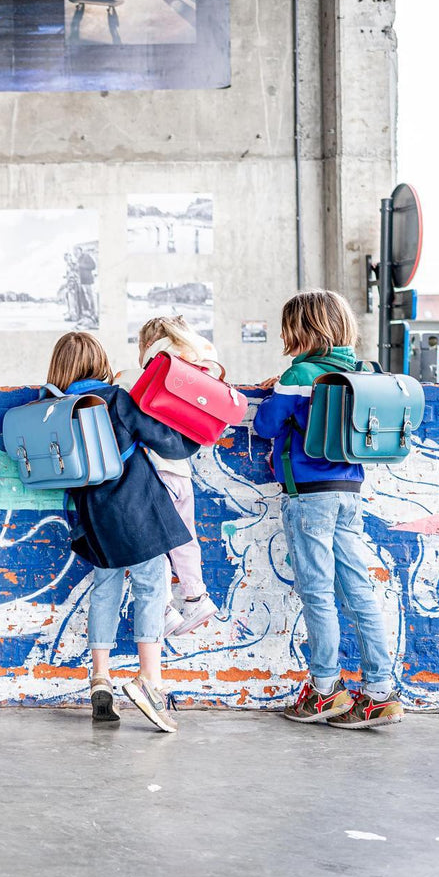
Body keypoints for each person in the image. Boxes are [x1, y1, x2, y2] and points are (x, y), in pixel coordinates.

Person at [252, 290, 403, 728]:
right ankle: (380, 693)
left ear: (300, 329)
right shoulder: (361, 372)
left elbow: (265, 424)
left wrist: (275, 389)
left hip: (308, 496)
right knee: (358, 593)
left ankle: (324, 690)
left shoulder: (300, 372)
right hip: (349, 493)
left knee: (318, 594)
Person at [48, 332, 198, 732]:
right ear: (100, 361)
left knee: (106, 590)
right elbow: (168, 444)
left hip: (90, 519)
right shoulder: (116, 400)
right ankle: (150, 681)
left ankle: (100, 679)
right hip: (136, 510)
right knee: (152, 585)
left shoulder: (55, 408)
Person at [115, 315, 222, 636]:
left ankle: (161, 608)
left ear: (147, 344)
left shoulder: (133, 378)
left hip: (149, 473)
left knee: (155, 543)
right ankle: (195, 596)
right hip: (180, 472)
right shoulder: (195, 374)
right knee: (183, 536)